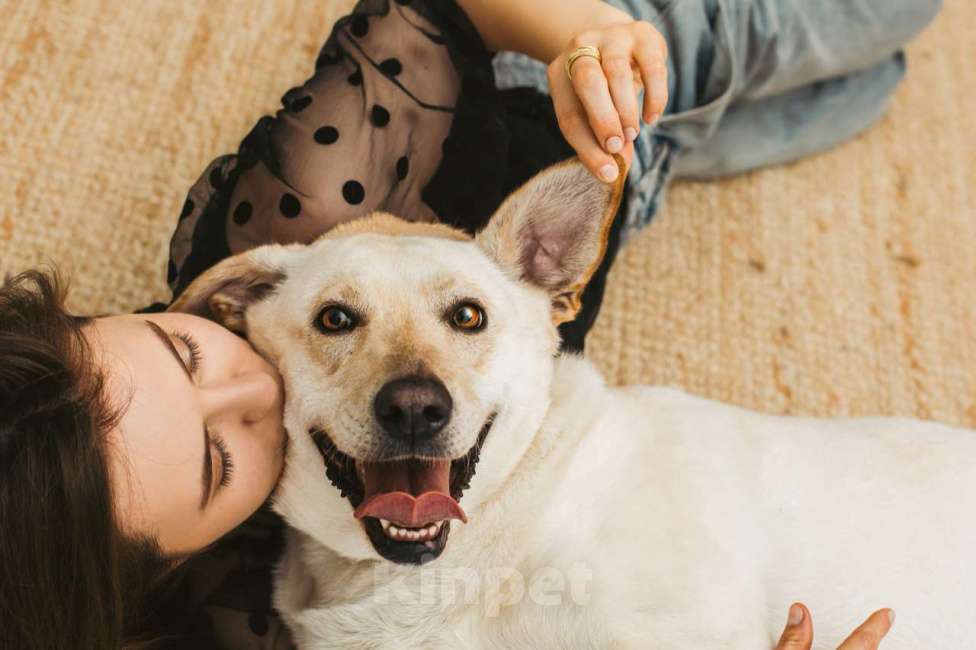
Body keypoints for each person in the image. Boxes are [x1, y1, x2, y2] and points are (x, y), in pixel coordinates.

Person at [0, 0, 940, 647]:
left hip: (572, 77)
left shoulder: (283, 214)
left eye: (187, 349)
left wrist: (592, 40)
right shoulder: (233, 598)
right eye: (219, 455)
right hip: (625, 185)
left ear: (220, 296)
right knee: (870, 90)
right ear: (186, 555)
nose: (260, 381)